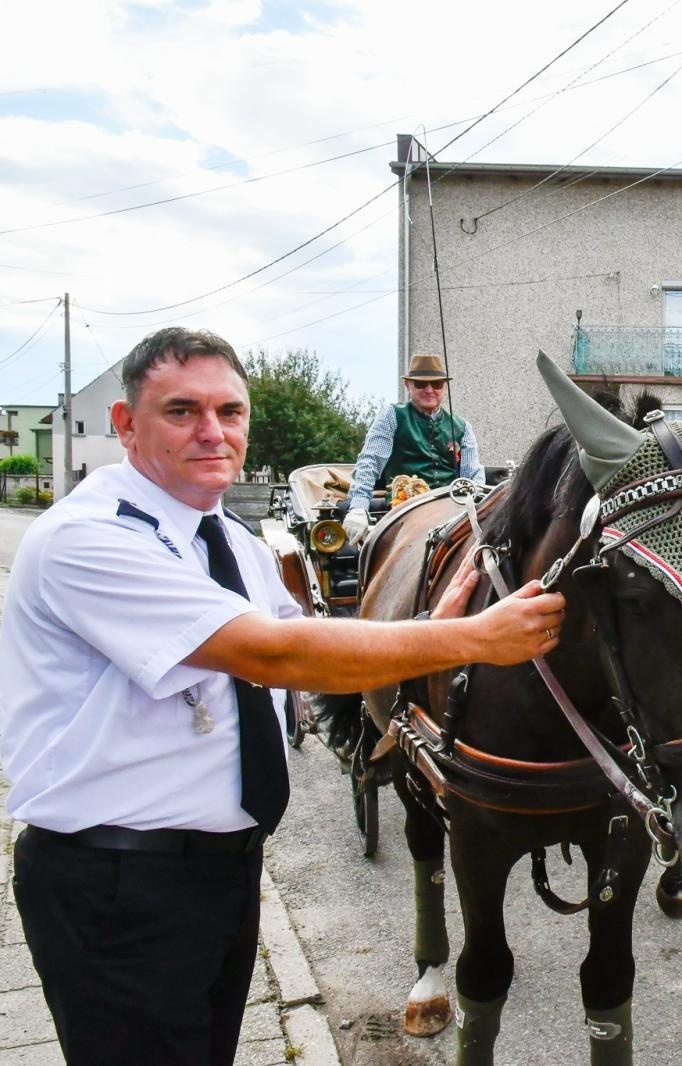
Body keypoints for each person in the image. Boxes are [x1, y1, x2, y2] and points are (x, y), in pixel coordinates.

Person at [0, 327, 564, 1066]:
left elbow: (315, 649)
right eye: (182, 411)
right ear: (124, 424)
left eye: (230, 412)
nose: (213, 432)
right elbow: (272, 652)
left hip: (219, 870)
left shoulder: (228, 539)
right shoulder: (88, 538)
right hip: (118, 883)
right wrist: (474, 639)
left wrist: (428, 620)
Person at [342, 352, 484, 544]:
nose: (429, 389)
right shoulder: (392, 416)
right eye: (420, 384)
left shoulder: (462, 427)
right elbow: (370, 462)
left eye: (436, 384)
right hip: (403, 510)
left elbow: (473, 477)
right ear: (408, 385)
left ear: (445, 387)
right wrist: (359, 507)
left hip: (452, 510)